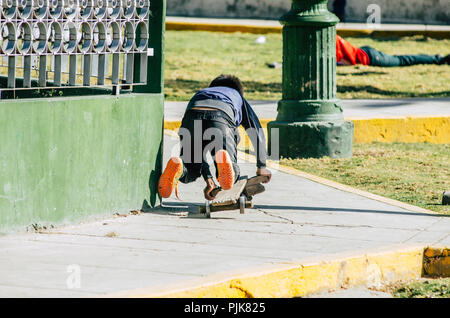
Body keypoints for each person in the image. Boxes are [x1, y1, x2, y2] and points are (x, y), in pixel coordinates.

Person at [158, 74, 272, 201]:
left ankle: (180, 166)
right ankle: (222, 157)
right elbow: (256, 131)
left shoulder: (202, 93)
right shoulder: (237, 96)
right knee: (231, 173)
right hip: (222, 116)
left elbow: (200, 149)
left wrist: (209, 180)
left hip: (192, 115)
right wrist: (261, 167)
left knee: (191, 168)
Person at [336, 35, 450, 67]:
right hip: (365, 52)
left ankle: (439, 59)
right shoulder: (330, 37)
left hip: (370, 57)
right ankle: (439, 59)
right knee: (401, 59)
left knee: (401, 60)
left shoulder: (331, 43)